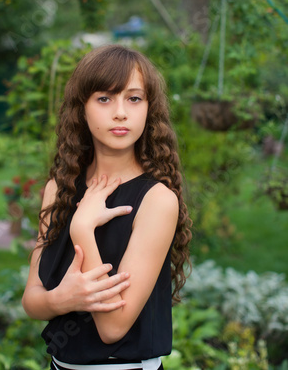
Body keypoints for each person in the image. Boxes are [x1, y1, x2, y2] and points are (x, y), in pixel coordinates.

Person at [22, 44, 192, 370]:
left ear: (149, 109)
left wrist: (83, 228)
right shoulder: (58, 189)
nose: (120, 112)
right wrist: (62, 299)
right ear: (81, 110)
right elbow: (32, 300)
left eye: (134, 98)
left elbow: (113, 327)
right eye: (104, 98)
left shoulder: (157, 200)